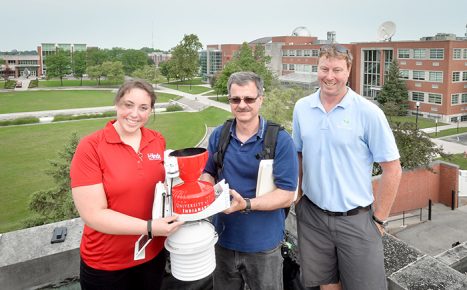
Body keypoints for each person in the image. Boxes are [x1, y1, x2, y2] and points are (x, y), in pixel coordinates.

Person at [292, 44, 402, 290]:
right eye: (324, 68)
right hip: (312, 216)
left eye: (337, 70)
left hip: (356, 219)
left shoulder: (368, 112)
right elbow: (298, 154)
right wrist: (298, 196)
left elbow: (393, 168)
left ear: (349, 71)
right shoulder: (302, 107)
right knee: (326, 285)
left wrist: (380, 219)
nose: (329, 76)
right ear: (317, 68)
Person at [70, 79, 184, 290]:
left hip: (152, 255)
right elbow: (93, 214)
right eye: (128, 105)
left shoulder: (157, 140)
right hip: (107, 264)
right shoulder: (91, 147)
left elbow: (162, 188)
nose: (135, 114)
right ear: (117, 104)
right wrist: (149, 228)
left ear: (150, 111)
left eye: (143, 108)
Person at [201, 71, 298, 290]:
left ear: (261, 99)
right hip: (223, 241)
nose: (242, 105)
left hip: (263, 246)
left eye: (249, 99)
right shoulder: (220, 135)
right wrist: (206, 191)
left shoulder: (280, 140)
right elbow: (208, 173)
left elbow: (286, 196)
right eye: (235, 99)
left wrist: (245, 204)